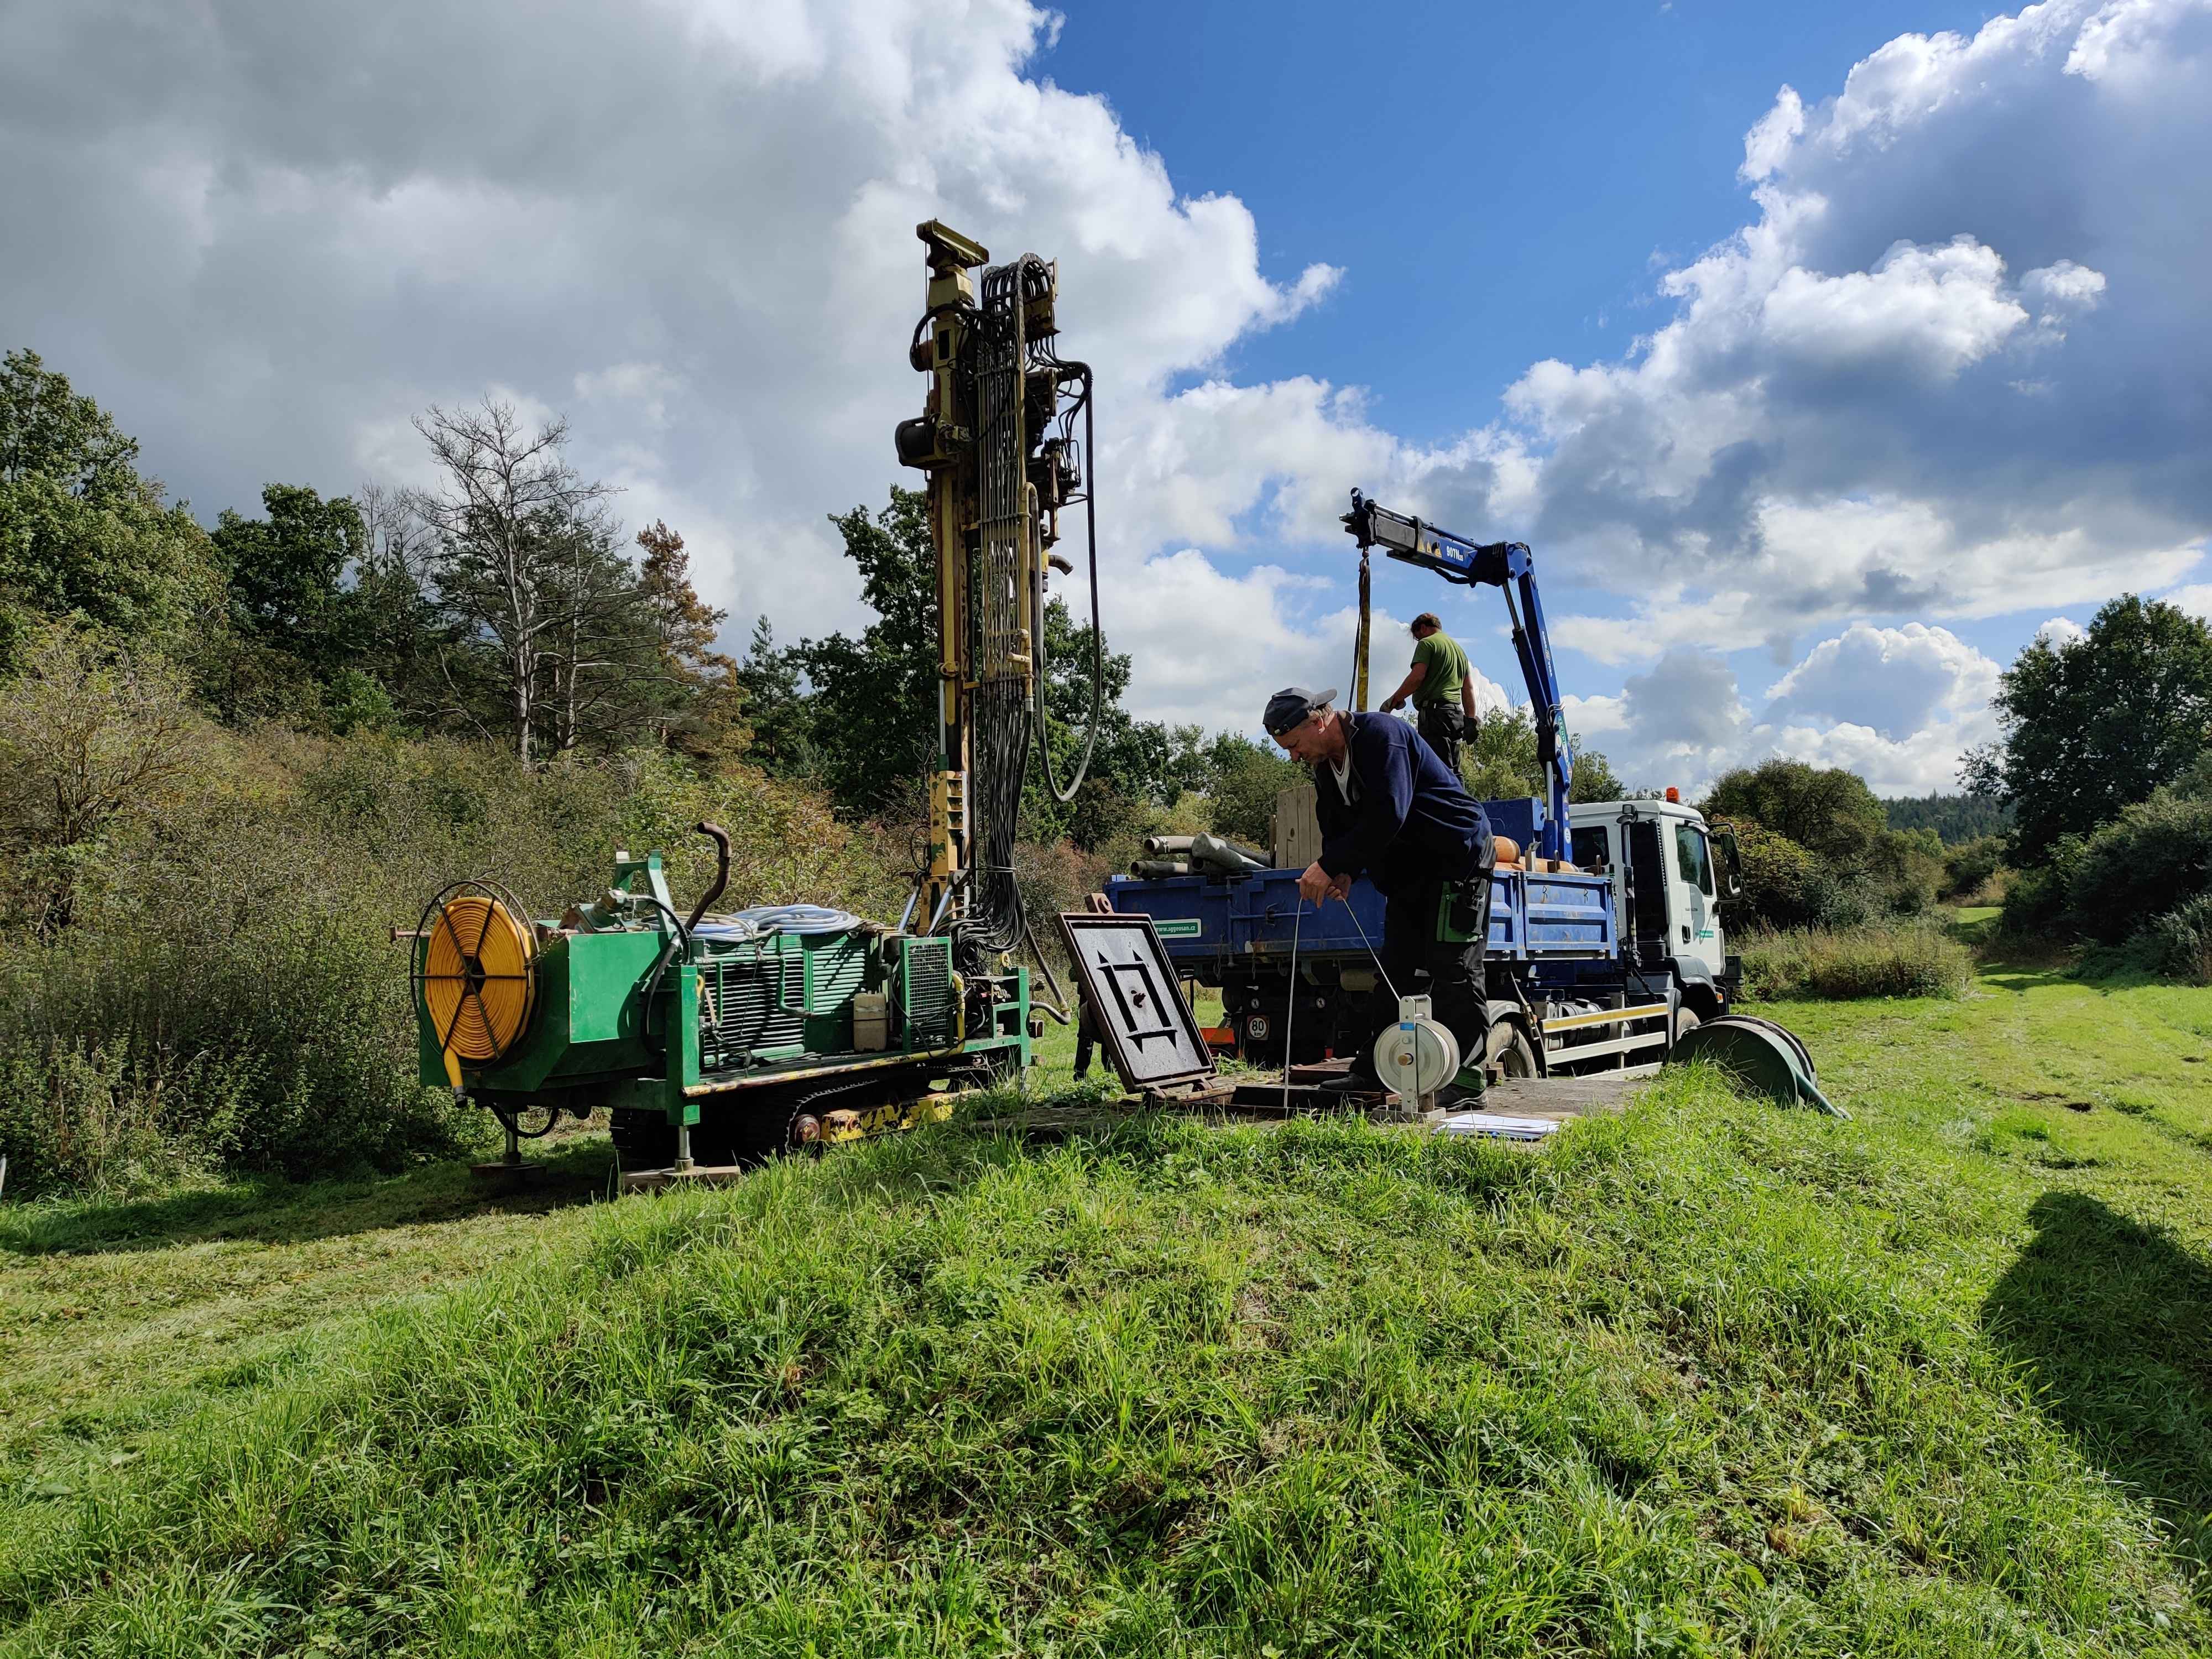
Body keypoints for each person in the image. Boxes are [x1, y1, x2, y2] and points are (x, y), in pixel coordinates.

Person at [1262, 685, 1494, 1098]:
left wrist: (1328, 867)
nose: (1293, 757)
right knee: (1397, 971)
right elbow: (1335, 827)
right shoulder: (1325, 769)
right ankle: (1375, 1071)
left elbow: (1391, 811)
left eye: (1294, 745)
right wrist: (1344, 871)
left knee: (1453, 968)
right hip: (1409, 871)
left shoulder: (1382, 735)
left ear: (1319, 720)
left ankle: (1467, 1079)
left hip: (1455, 859)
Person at [1379, 612, 1478, 775]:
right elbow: (1468, 689)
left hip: (1435, 716)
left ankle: (1443, 801)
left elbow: (1417, 677)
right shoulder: (1459, 650)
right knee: (1454, 770)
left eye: (1417, 637)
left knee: (1437, 770)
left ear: (1423, 628)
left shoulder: (1427, 644)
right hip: (1455, 716)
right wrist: (1471, 721)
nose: (1418, 641)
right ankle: (1460, 801)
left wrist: (1394, 700)